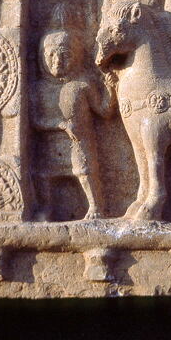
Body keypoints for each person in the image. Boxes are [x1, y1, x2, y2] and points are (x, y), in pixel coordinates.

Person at [31, 22, 116, 221]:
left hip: (79, 141)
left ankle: (96, 206)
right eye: (51, 56)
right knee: (44, 175)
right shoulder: (38, 89)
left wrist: (111, 90)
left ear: (76, 57)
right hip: (51, 143)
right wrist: (60, 125)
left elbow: (104, 111)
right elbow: (35, 120)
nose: (57, 61)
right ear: (42, 58)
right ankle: (46, 208)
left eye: (65, 55)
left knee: (85, 172)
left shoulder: (82, 85)